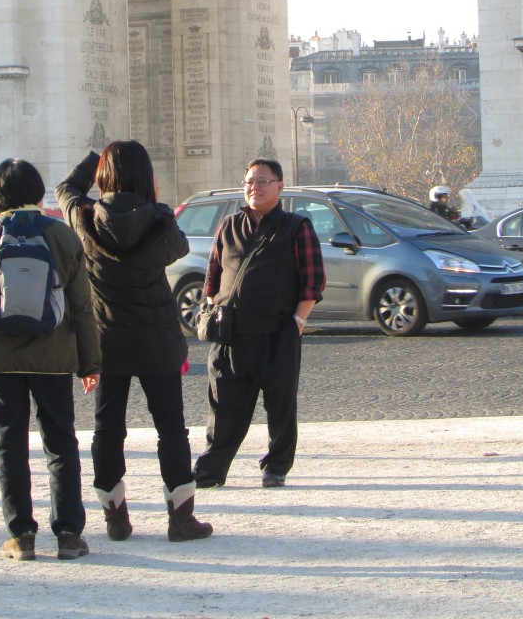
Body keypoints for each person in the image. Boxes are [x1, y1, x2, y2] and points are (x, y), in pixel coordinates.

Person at [55, 142, 212, 543]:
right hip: (157, 339)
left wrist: (94, 157)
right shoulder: (160, 220)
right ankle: (180, 519)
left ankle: (115, 519)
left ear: (105, 176)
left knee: (107, 430)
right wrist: (154, 202)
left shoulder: (85, 217)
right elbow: (178, 249)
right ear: (146, 177)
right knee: (171, 430)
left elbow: (65, 188)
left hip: (107, 340)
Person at [0, 158, 101, 562]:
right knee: (60, 444)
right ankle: (69, 533)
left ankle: (21, 536)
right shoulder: (63, 237)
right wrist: (89, 364)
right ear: (38, 194)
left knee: (9, 446)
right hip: (53, 358)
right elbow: (83, 308)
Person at [193, 157, 326, 490]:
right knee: (223, 405)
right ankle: (211, 469)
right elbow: (212, 276)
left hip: (277, 332)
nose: (255, 187)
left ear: (279, 186)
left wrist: (298, 320)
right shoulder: (228, 225)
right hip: (231, 335)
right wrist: (213, 309)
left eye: (263, 181)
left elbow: (313, 281)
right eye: (249, 181)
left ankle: (276, 466)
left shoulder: (297, 227)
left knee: (280, 404)